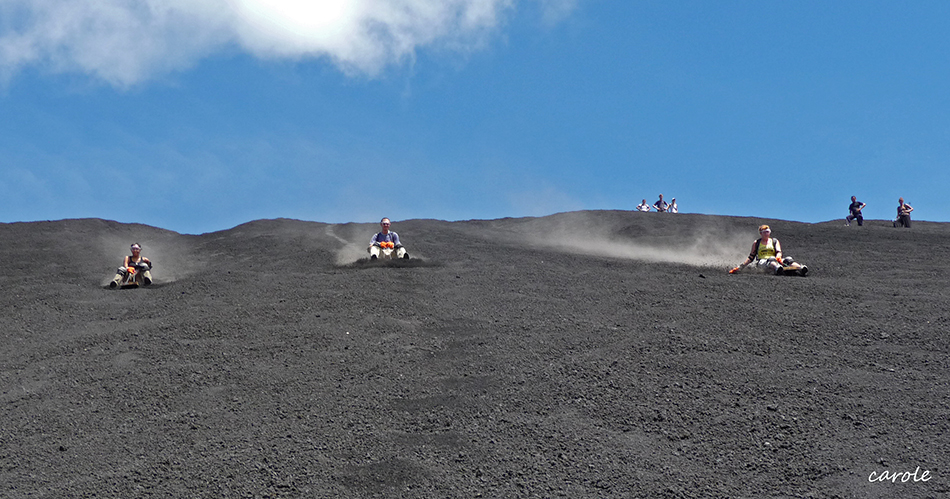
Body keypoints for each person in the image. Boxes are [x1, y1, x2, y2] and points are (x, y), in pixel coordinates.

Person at [730, 225, 807, 276]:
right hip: (763, 262)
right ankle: (778, 268)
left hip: (775, 260)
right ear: (761, 233)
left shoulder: (774, 241)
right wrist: (741, 267)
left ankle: (800, 268)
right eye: (764, 232)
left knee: (788, 259)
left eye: (768, 232)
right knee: (771, 259)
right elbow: (751, 257)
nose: (767, 234)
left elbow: (779, 251)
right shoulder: (757, 243)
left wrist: (779, 257)